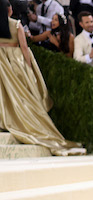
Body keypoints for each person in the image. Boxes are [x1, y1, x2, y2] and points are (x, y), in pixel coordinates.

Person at [0, 0, 84, 155]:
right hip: (15, 62)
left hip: (1, 62)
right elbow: (24, 47)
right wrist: (30, 68)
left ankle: (4, 120)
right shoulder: (16, 24)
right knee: (21, 95)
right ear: (9, 10)